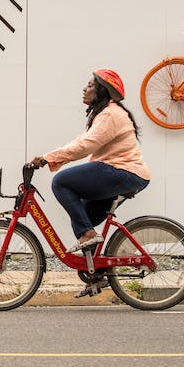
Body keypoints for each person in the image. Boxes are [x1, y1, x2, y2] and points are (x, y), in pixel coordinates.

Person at [30, 69, 150, 287]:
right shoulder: (102, 114)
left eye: (90, 85)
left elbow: (86, 146)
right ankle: (96, 271)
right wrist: (51, 157)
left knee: (61, 182)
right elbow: (82, 141)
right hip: (117, 171)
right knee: (81, 217)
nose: (84, 89)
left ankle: (88, 236)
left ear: (102, 91)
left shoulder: (111, 114)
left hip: (124, 172)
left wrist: (49, 158)